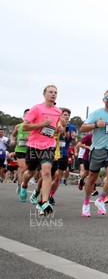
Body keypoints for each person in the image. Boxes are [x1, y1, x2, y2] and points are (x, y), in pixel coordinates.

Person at [79, 89, 108, 217]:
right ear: (103, 99)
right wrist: (96, 125)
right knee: (93, 177)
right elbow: (83, 128)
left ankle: (101, 200)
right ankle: (86, 202)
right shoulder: (96, 113)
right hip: (98, 149)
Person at [19, 85, 63, 215]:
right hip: (34, 145)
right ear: (44, 94)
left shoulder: (57, 111)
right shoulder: (36, 108)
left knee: (47, 171)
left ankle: (44, 202)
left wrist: (58, 128)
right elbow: (25, 127)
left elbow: (55, 125)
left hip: (49, 146)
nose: (53, 94)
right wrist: (42, 124)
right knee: (30, 172)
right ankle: (24, 185)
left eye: (55, 92)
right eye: (50, 92)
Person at [49, 108, 77, 204]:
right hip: (53, 152)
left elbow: (74, 143)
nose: (67, 116)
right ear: (60, 116)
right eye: (65, 115)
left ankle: (50, 195)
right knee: (52, 175)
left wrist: (73, 139)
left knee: (58, 177)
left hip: (64, 152)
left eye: (68, 115)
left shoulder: (72, 127)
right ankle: (42, 191)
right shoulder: (55, 124)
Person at [10, 109, 30, 199]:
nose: (28, 115)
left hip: (30, 151)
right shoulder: (19, 126)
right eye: (26, 114)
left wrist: (30, 139)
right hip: (20, 150)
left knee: (28, 170)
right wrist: (12, 140)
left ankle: (20, 183)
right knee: (22, 169)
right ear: (23, 116)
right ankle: (22, 188)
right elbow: (13, 135)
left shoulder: (34, 127)